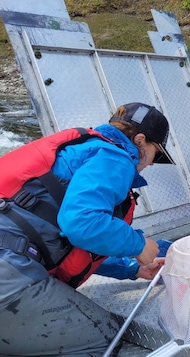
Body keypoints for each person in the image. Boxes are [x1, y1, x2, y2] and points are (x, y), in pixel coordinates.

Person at [0, 102, 176, 356]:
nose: (149, 164)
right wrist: (139, 245)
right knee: (104, 338)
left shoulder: (84, 148)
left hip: (12, 255)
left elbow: (72, 245)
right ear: (139, 140)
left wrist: (133, 269)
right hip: (8, 270)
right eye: (155, 154)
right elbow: (81, 223)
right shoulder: (115, 157)